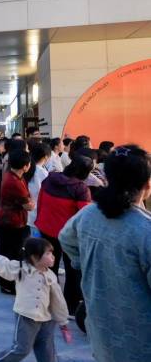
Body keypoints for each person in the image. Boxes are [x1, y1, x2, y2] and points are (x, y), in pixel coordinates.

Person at [59, 145, 151, 362]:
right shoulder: (145, 230)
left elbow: (65, 238)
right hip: (140, 341)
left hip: (101, 330)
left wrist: (85, 263)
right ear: (147, 185)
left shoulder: (89, 214)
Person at [0, 238, 71, 362]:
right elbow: (3, 264)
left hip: (47, 320)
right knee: (21, 349)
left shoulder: (51, 276)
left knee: (46, 351)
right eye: (48, 253)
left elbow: (58, 300)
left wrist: (62, 321)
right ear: (35, 257)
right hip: (26, 318)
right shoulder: (21, 269)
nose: (53, 257)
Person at [34, 154, 92, 316]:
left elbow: (41, 200)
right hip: (68, 236)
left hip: (46, 228)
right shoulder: (80, 189)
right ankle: (70, 307)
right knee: (73, 271)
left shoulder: (50, 178)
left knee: (47, 267)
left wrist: (39, 220)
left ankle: (45, 300)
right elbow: (85, 216)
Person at [0, 149, 34, 295]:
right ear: (25, 166)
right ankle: (7, 284)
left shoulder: (12, 175)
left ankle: (6, 282)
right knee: (11, 254)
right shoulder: (14, 182)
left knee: (8, 252)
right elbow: (28, 205)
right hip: (12, 222)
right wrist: (31, 203)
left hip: (9, 220)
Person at [26, 142, 51, 236]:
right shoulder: (43, 172)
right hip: (37, 211)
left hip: (28, 210)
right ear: (46, 157)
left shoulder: (28, 168)